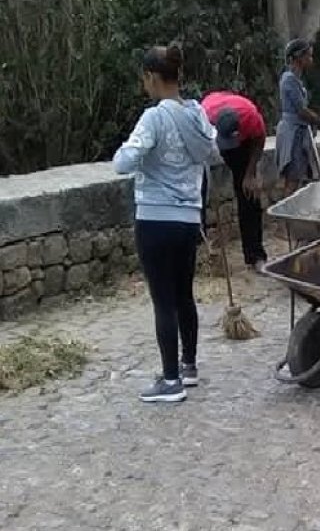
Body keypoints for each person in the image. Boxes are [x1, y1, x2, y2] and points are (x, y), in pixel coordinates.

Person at [113, 44, 219, 403]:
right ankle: (188, 366)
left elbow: (124, 162)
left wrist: (127, 151)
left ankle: (170, 381)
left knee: (163, 301)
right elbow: (212, 152)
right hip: (189, 218)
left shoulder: (154, 118)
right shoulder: (198, 115)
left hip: (155, 218)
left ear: (153, 78)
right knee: (184, 294)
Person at [201, 90, 268, 271]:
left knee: (249, 194)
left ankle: (255, 255)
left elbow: (259, 139)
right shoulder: (203, 117)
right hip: (207, 144)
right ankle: (201, 253)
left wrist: (250, 173)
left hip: (245, 145)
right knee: (198, 192)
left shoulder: (250, 117)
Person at [276, 39, 320, 195]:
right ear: (299, 57)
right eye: (308, 56)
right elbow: (301, 110)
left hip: (298, 131)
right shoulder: (289, 79)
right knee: (293, 178)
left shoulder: (295, 79)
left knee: (298, 177)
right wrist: (319, 121)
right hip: (293, 133)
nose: (311, 59)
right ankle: (286, 214)